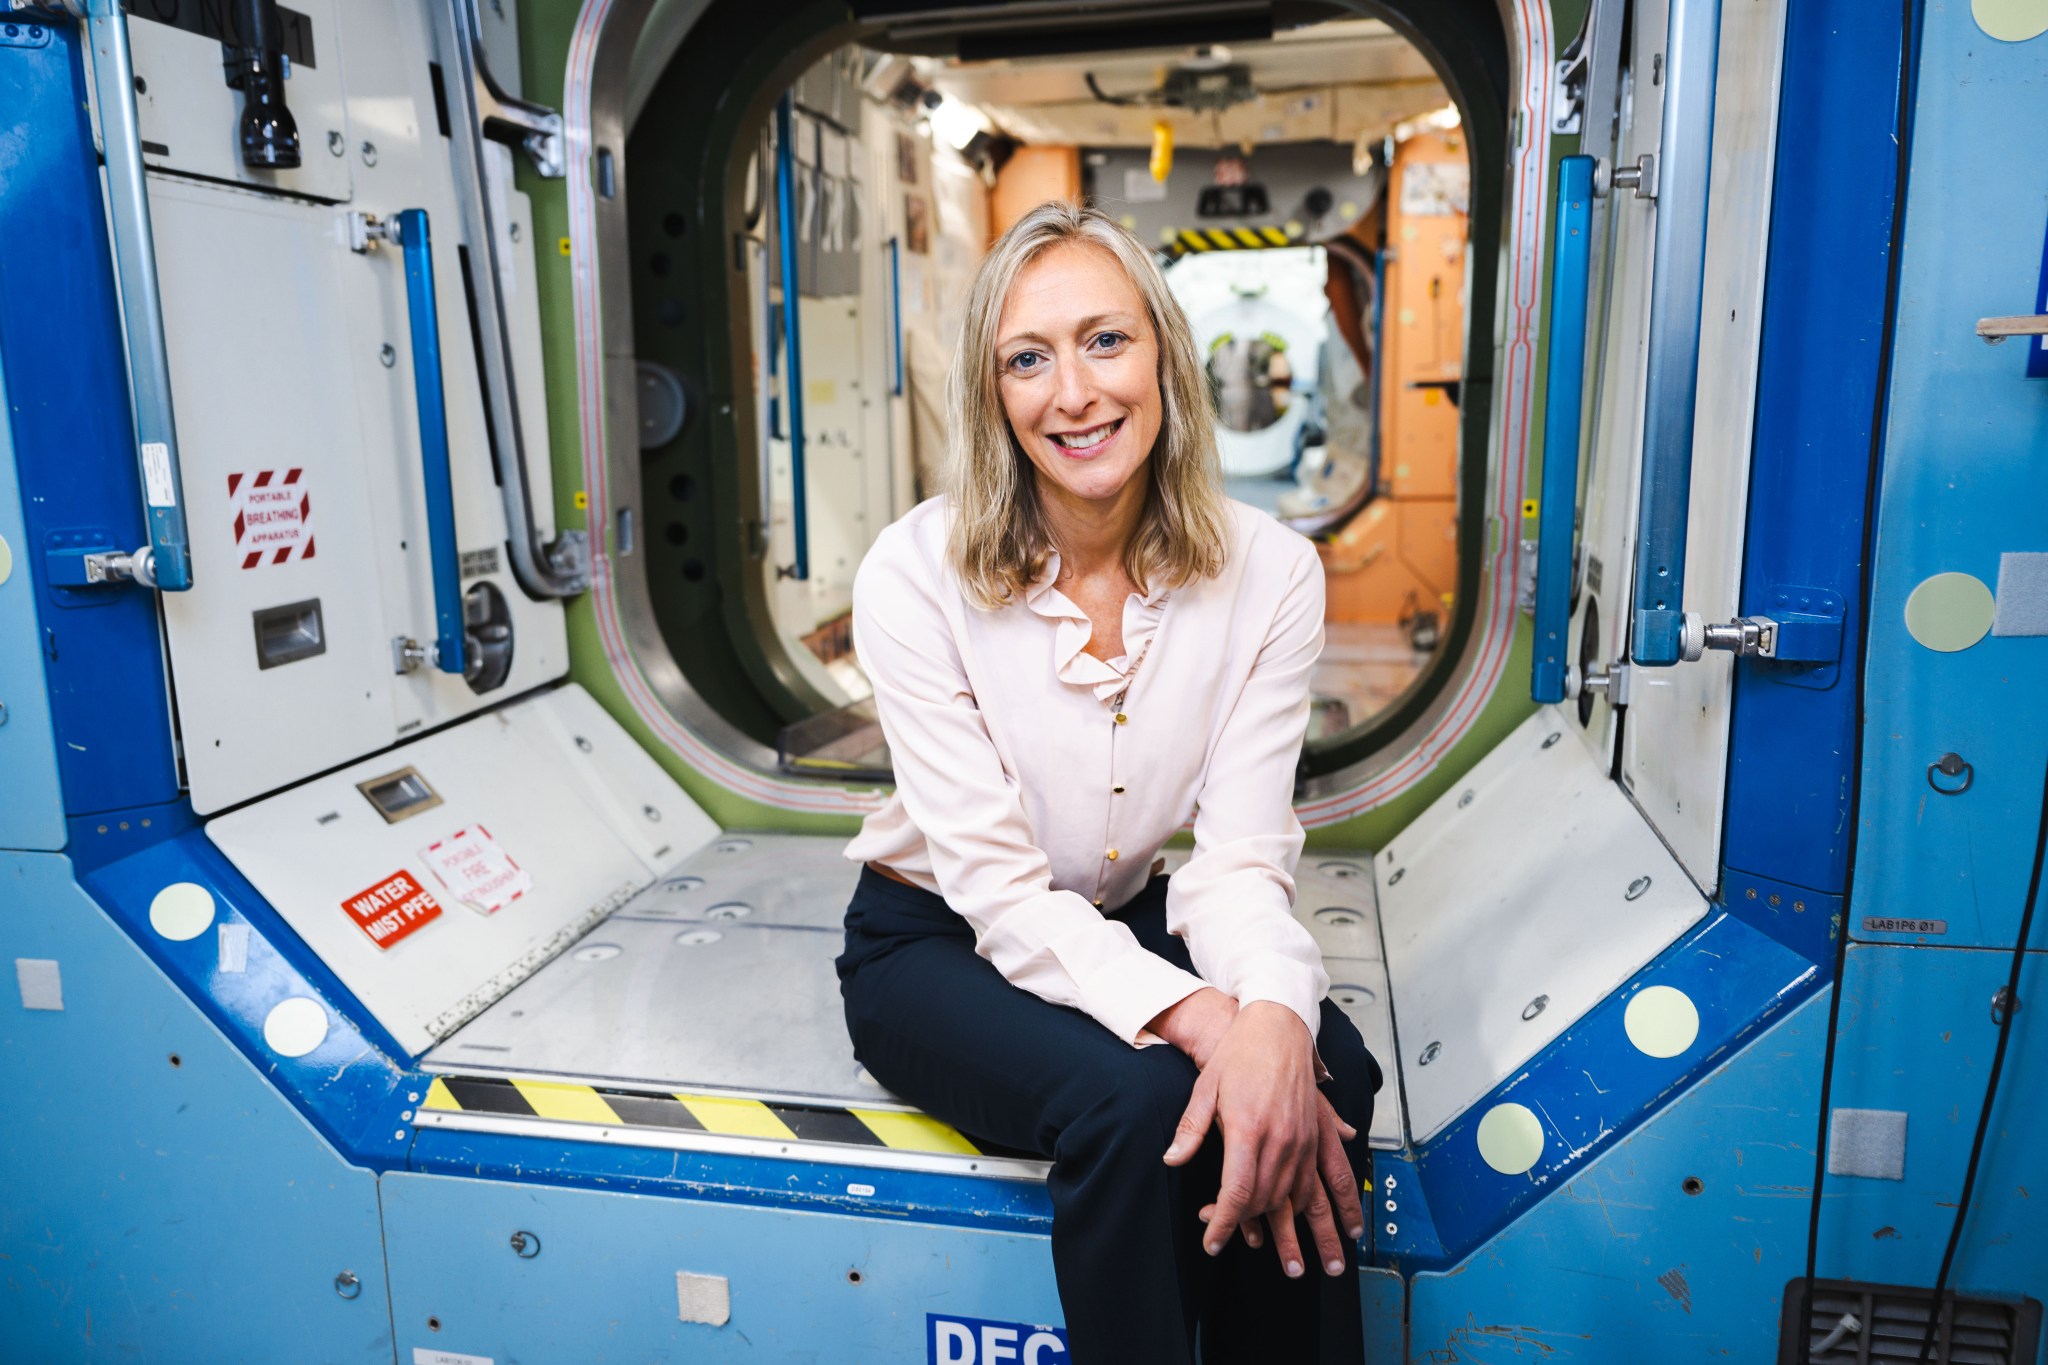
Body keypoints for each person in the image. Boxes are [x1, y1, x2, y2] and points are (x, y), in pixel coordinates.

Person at [837, 201, 1383, 1364]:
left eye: (1103, 341)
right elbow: (994, 890)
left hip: (1111, 915)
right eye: (1025, 360)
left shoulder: (1270, 573)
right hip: (932, 939)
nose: (1071, 393)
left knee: (1322, 1067)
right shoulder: (914, 573)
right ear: (994, 397)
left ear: (1164, 356)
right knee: (1139, 1110)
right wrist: (1209, 1021)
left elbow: (1235, 860)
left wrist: (1272, 1018)